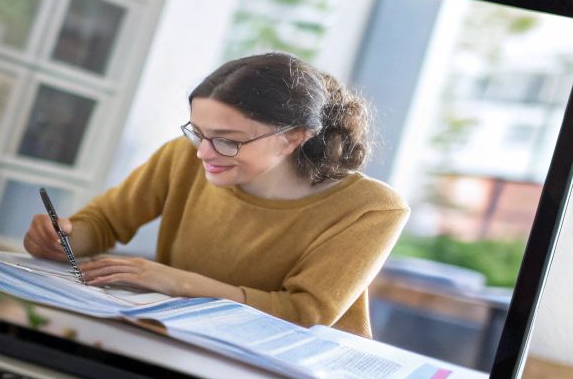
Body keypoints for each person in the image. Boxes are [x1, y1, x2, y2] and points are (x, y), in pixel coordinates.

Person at [23, 51, 409, 336]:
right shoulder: (186, 156)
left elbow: (303, 312)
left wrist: (176, 282)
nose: (204, 153)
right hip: (186, 344)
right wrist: (67, 237)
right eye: (198, 133)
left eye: (227, 141)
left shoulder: (372, 209)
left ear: (293, 137)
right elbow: (104, 222)